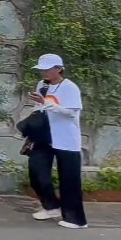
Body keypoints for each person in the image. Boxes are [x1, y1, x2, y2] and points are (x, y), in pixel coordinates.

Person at [26, 54, 87, 229]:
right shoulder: (42, 85)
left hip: (66, 138)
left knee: (69, 180)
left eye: (47, 69)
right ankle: (51, 206)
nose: (44, 73)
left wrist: (46, 103)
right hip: (44, 136)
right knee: (36, 172)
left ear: (59, 69)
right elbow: (40, 108)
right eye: (41, 70)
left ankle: (76, 219)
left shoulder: (70, 87)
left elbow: (71, 113)